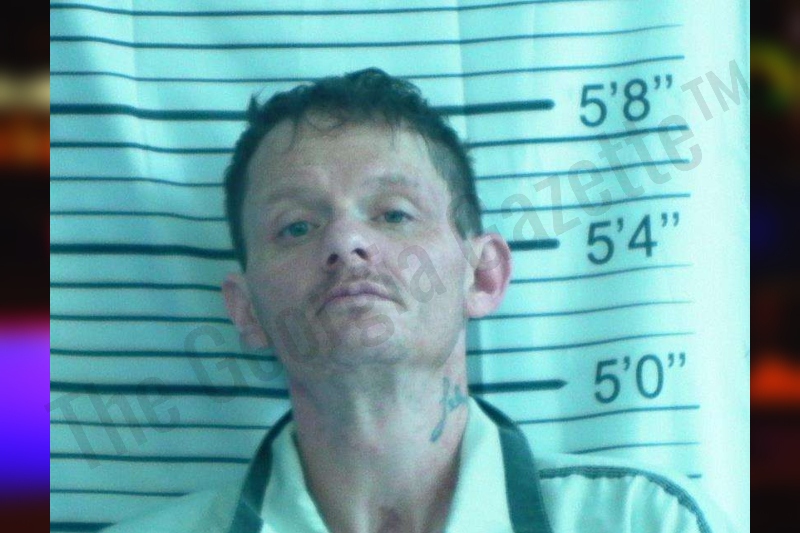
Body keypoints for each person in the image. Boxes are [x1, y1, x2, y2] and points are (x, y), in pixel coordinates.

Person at [104, 68, 732, 533]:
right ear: (245, 310)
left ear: (482, 276)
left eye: (394, 213)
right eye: (295, 227)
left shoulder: (649, 521)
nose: (345, 241)